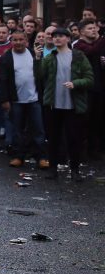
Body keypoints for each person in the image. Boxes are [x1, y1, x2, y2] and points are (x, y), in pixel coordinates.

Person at [38, 29, 94, 180]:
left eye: (60, 36)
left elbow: (90, 79)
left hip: (73, 105)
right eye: (54, 36)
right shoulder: (50, 57)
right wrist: (38, 59)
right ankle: (53, 169)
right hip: (53, 104)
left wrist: (75, 83)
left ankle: (75, 170)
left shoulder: (78, 56)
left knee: (74, 138)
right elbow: (39, 76)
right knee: (53, 138)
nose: (56, 39)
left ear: (68, 38)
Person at [0, 29, 47, 169]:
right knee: (17, 130)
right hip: (16, 100)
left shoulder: (34, 54)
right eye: (15, 40)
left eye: (21, 40)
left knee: (38, 129)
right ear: (11, 40)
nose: (18, 42)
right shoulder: (6, 57)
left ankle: (41, 157)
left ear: (26, 40)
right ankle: (18, 156)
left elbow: (40, 76)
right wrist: (5, 100)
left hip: (34, 99)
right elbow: (3, 80)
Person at [72, 18, 105, 161]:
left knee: (97, 120)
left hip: (99, 87)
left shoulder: (99, 44)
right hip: (85, 89)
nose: (94, 30)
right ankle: (79, 152)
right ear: (81, 32)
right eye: (90, 28)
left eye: (95, 28)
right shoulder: (79, 46)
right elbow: (92, 51)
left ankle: (94, 149)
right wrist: (101, 38)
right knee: (83, 121)